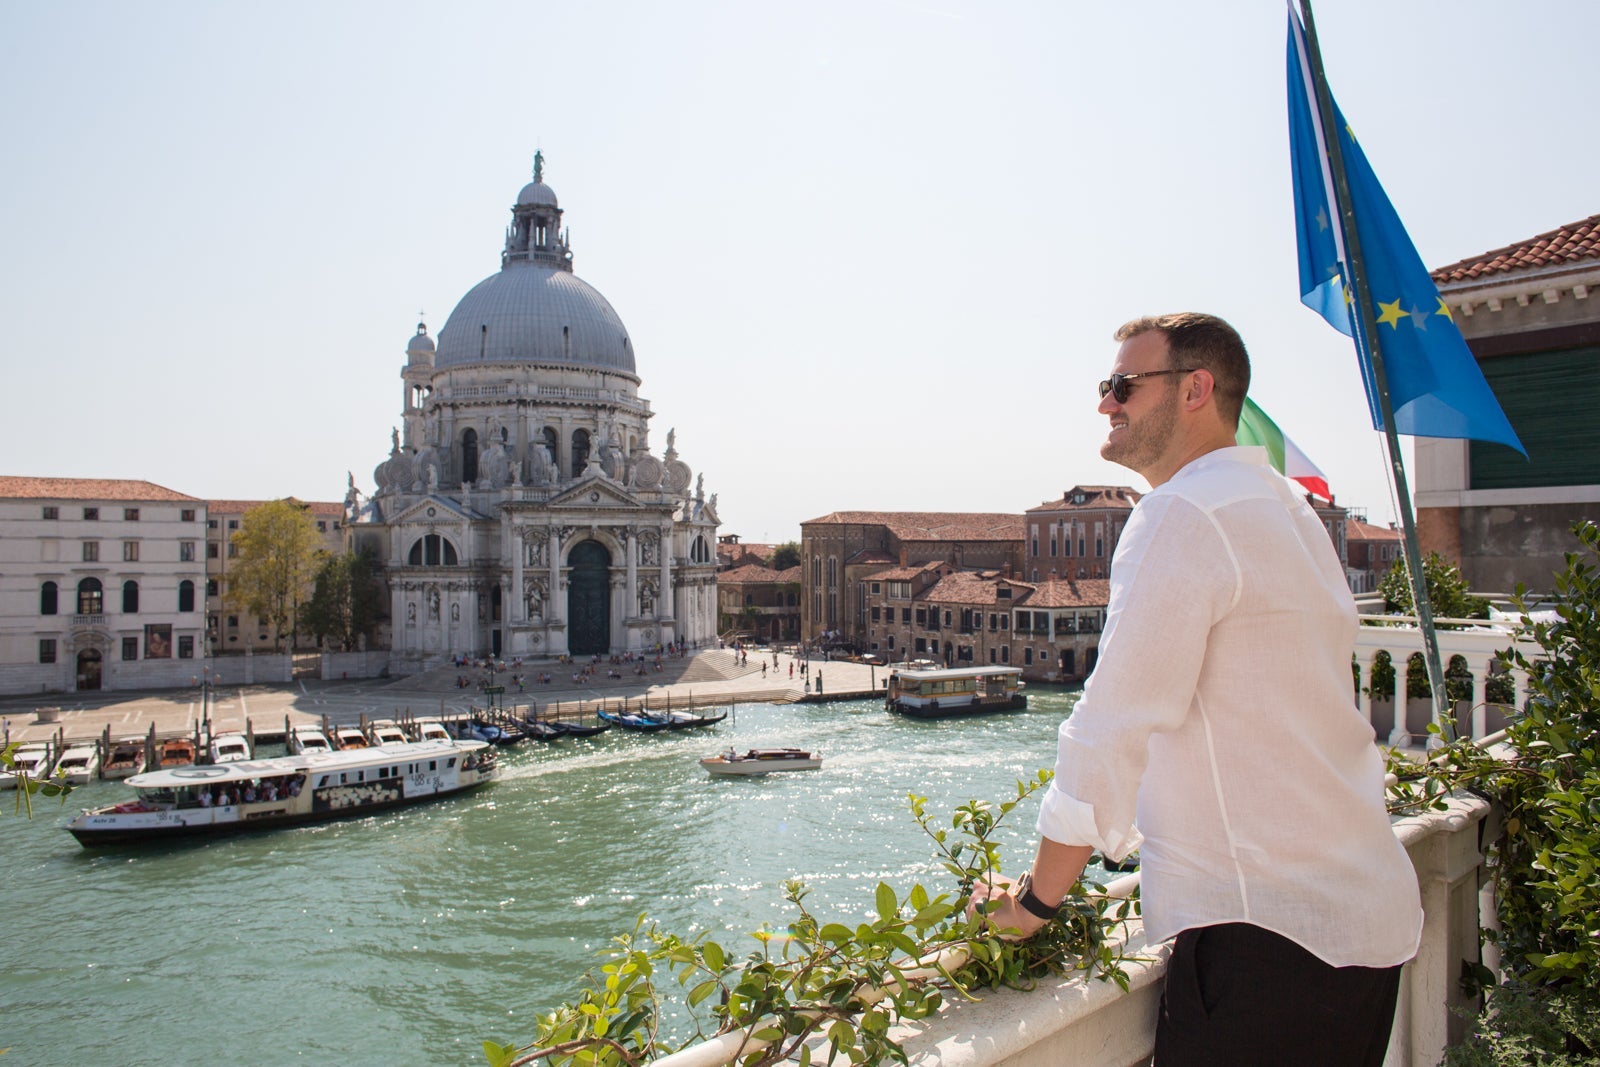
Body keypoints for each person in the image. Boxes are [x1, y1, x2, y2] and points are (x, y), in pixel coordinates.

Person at [968, 313, 1421, 1066]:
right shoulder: (1292, 511)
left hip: (1267, 945)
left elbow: (1110, 726)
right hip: (1365, 927)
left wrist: (1034, 903)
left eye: (1122, 385)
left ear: (1195, 390)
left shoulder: (1181, 513)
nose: (1105, 404)